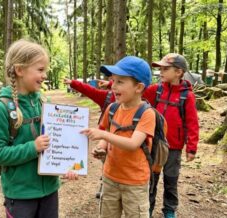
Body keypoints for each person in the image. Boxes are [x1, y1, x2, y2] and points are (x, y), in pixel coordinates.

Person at [0, 39, 77, 218]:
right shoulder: (2, 108)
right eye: (40, 70)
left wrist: (68, 165)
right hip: (20, 195)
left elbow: (57, 145)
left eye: (45, 70)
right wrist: (32, 148)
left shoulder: (45, 103)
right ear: (20, 70)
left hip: (50, 191)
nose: (45, 75)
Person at [81, 56, 155, 218]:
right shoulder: (113, 108)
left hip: (135, 182)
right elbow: (106, 129)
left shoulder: (147, 114)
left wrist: (104, 136)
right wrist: (101, 146)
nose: (113, 86)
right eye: (113, 81)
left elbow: (133, 144)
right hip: (110, 178)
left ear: (139, 87)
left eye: (120, 82)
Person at [146, 53, 199, 218]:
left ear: (179, 72)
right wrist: (113, 84)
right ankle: (147, 207)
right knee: (151, 178)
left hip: (174, 147)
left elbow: (192, 123)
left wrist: (191, 148)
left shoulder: (187, 96)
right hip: (154, 144)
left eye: (165, 69)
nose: (161, 72)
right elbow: (136, 88)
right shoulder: (156, 90)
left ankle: (169, 209)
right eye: (160, 68)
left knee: (171, 180)